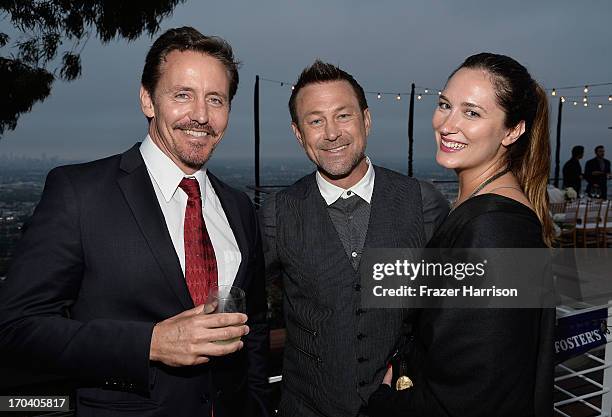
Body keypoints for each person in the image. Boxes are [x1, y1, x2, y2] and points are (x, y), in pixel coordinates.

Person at [0, 27, 269, 417]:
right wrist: (151, 343)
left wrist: (257, 405)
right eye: (182, 95)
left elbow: (255, 325)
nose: (201, 115)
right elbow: (15, 328)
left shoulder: (239, 207)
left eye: (216, 99)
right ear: (147, 99)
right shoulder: (79, 193)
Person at [368, 53, 555, 416]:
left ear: (513, 130)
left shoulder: (496, 230)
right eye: (444, 104)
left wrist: (383, 399)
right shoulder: (483, 210)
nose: (447, 124)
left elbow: (471, 399)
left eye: (472, 112)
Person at [260, 61, 449, 417]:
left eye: (343, 116)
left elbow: (456, 305)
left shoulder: (422, 202)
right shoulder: (277, 213)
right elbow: (248, 311)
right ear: (299, 134)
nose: (331, 133)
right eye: (315, 121)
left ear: (366, 120)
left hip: (403, 407)